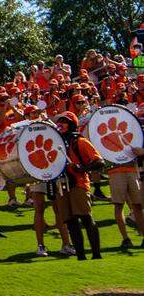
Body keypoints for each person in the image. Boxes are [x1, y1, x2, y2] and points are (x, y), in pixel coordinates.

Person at [54, 111, 103, 261]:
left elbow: (99, 161)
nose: (61, 124)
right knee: (70, 222)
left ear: (72, 124)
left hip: (79, 184)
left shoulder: (80, 141)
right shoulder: (55, 142)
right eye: (59, 121)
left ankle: (96, 254)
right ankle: (81, 256)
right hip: (62, 186)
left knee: (86, 218)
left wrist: (81, 169)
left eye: (65, 121)